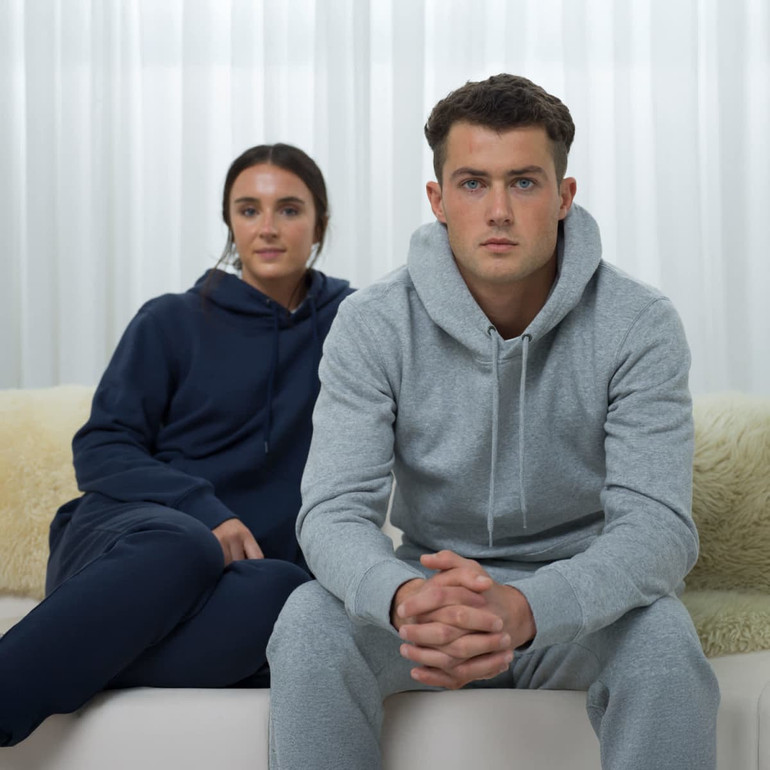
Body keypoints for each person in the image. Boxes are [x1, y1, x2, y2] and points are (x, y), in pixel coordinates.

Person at [266, 75, 720, 769]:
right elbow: (330, 511)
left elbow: (658, 530)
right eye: (474, 183)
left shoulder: (640, 324)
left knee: (664, 645)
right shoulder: (372, 322)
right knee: (306, 623)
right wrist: (405, 598)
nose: (499, 210)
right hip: (428, 598)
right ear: (438, 199)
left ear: (564, 198)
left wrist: (530, 607)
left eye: (525, 183)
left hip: (582, 605)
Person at [0, 143, 353, 747]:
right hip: (127, 543)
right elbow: (103, 445)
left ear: (320, 222)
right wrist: (204, 510)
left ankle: (72, 653)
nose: (267, 227)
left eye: (288, 209)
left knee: (289, 595)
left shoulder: (353, 328)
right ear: (230, 224)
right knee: (185, 542)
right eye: (248, 209)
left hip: (233, 581)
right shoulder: (169, 320)